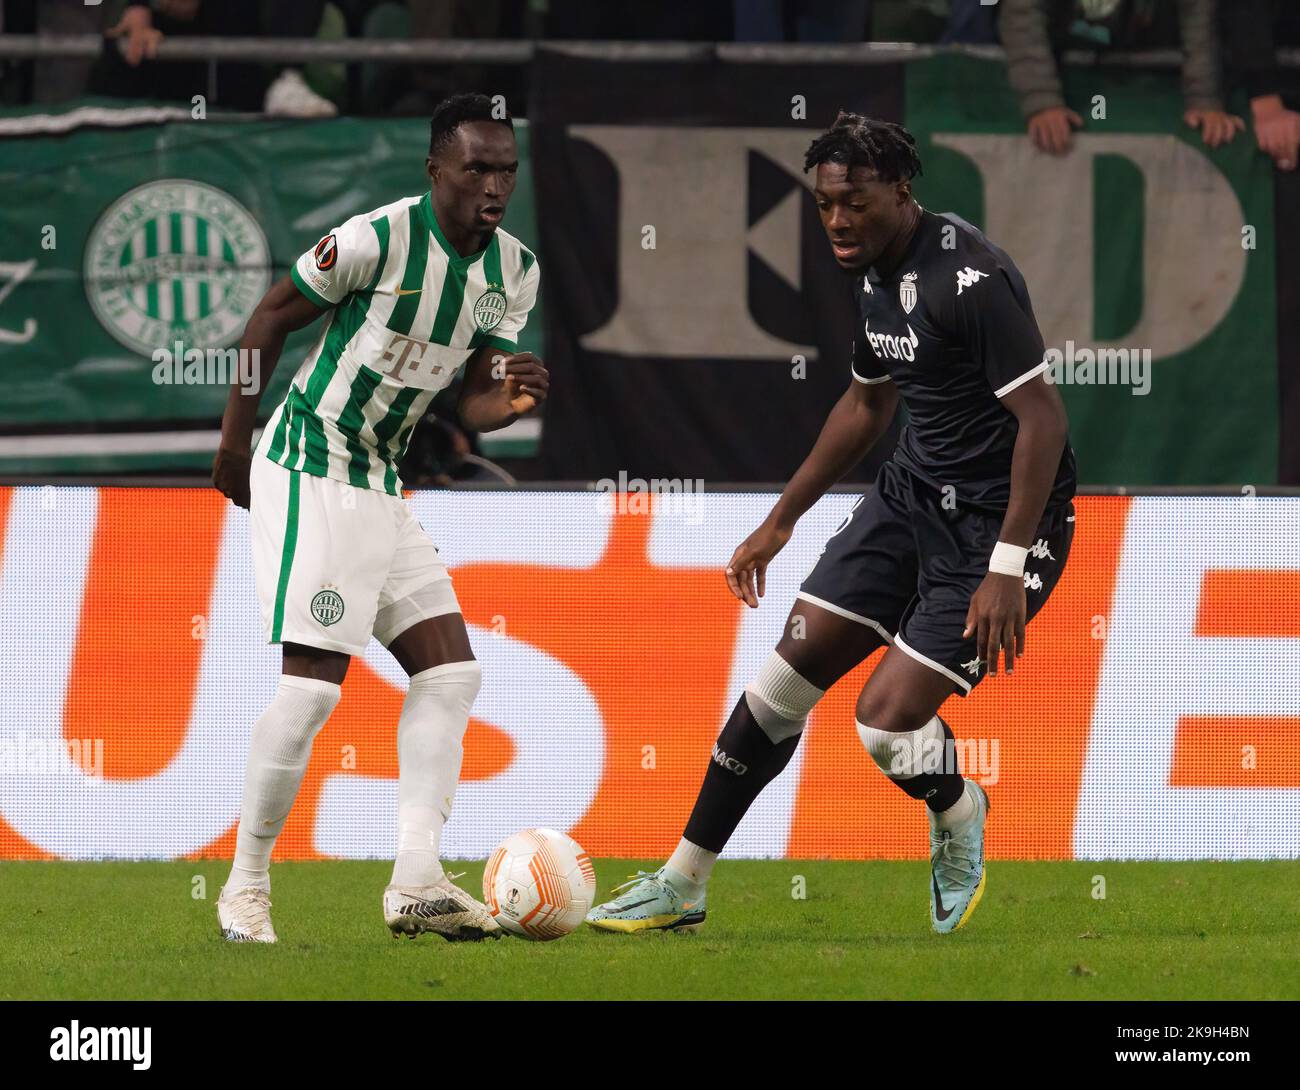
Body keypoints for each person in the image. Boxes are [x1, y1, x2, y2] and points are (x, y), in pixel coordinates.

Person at [587, 113, 1076, 936]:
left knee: (886, 730)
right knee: (777, 689)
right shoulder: (875, 277)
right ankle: (682, 884)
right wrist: (780, 521)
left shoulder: (971, 280)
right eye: (824, 205)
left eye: (854, 202)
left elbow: (1044, 421)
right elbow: (865, 406)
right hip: (909, 499)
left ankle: (959, 810)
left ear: (901, 191)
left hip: (996, 525)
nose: (839, 221)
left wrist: (1005, 564)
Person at [210, 93, 547, 943]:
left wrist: (502, 405)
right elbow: (269, 320)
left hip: (379, 477)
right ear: (435, 170)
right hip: (309, 459)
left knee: (451, 675)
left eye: (505, 168)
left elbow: (469, 399)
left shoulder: (515, 271)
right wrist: (233, 446)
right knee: (312, 687)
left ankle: (417, 883)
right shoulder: (377, 239)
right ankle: (244, 886)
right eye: (475, 168)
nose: (494, 184)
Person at [1000, 0, 1240, 155]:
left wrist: (1205, 99)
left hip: (1151, 77)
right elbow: (1023, 15)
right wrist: (1041, 100)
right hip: (1068, 72)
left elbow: (1198, 19)